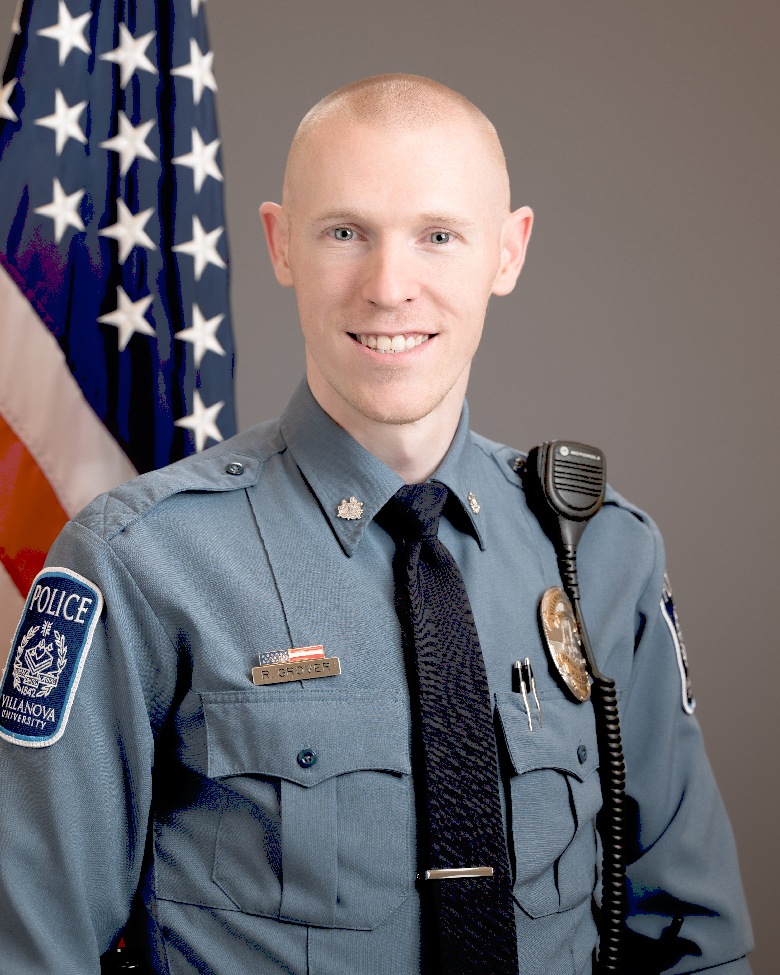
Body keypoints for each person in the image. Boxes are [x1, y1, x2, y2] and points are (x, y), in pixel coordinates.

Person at [0, 74, 753, 975]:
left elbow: (696, 945)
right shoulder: (142, 562)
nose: (390, 288)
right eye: (345, 233)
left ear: (508, 251)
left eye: (438, 236)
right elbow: (29, 949)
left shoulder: (604, 553)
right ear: (281, 243)